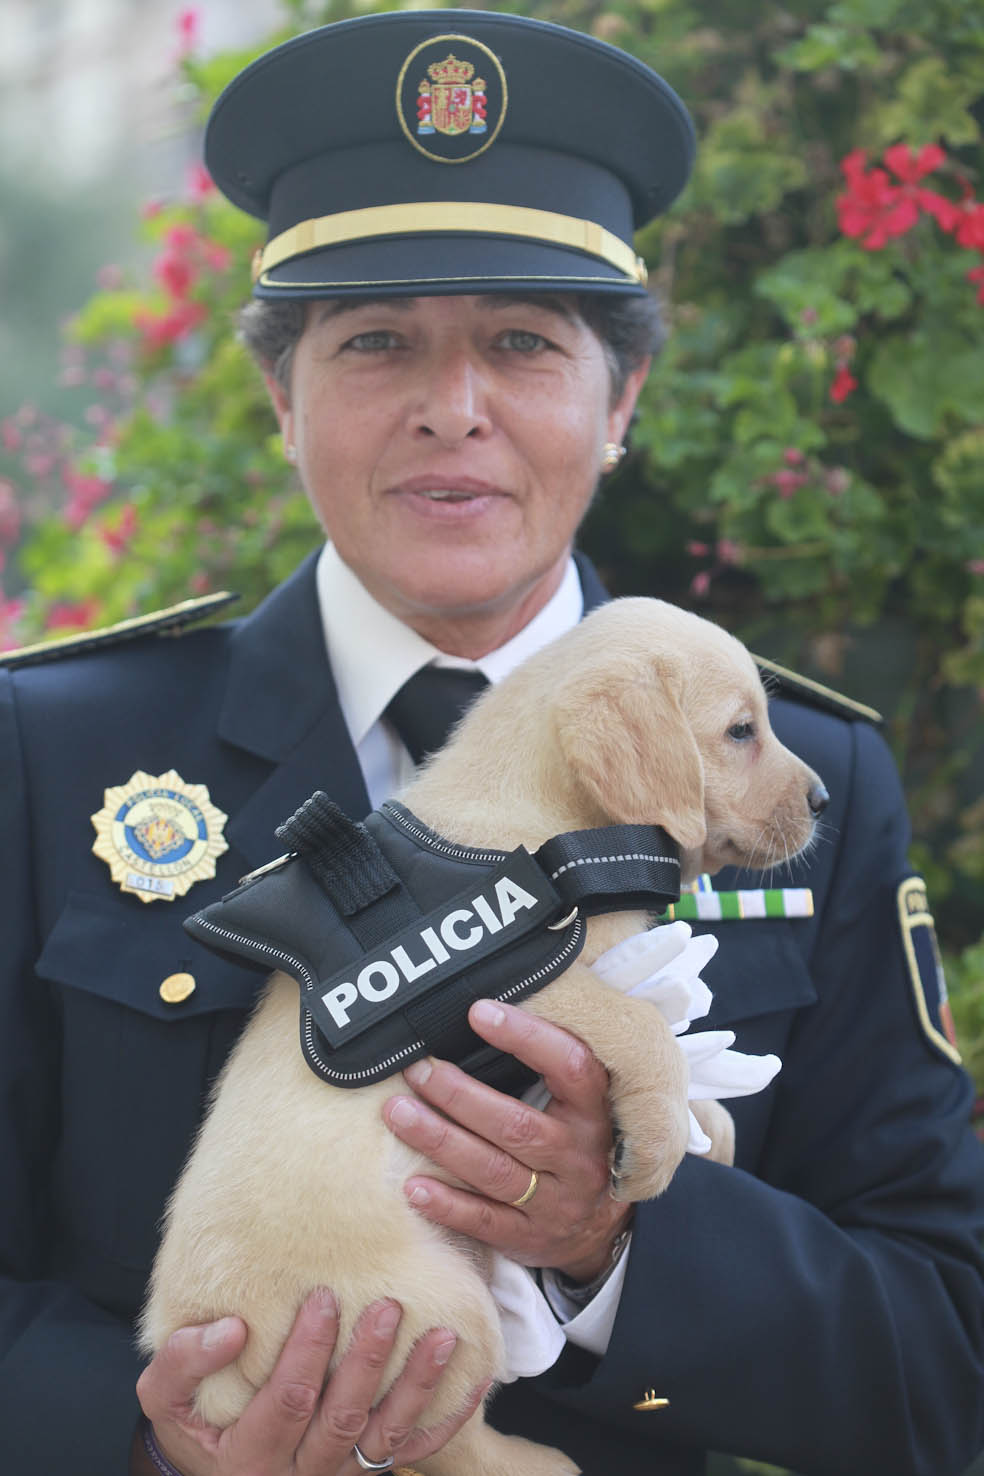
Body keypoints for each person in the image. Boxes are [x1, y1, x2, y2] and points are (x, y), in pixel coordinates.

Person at [0, 10, 982, 1476]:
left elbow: (944, 1352)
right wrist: (141, 1443)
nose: (450, 411)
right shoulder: (49, 756)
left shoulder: (805, 779)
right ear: (282, 394)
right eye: (376, 341)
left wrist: (621, 1244)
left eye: (522, 343)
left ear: (624, 395)